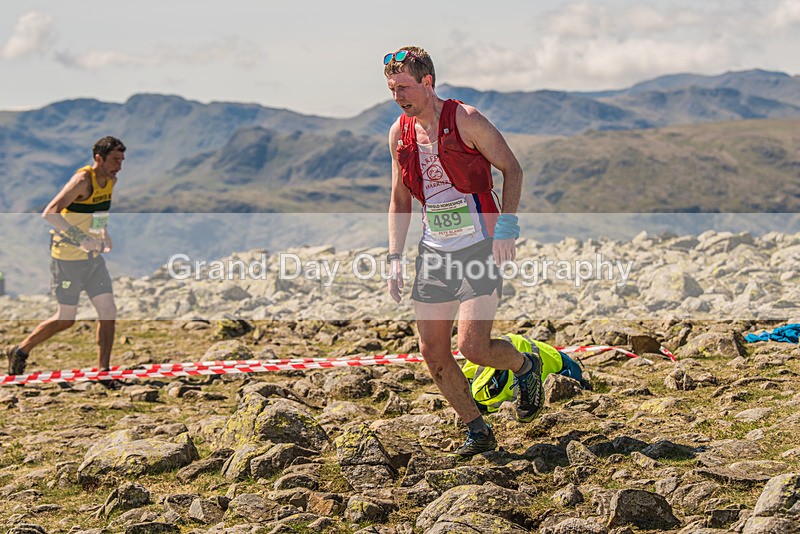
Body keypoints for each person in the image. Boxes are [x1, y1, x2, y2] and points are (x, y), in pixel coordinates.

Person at [383, 46, 544, 457]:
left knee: (473, 347)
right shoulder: (398, 133)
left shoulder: (466, 119)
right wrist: (394, 257)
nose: (397, 95)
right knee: (432, 352)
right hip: (434, 251)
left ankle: (526, 366)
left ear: (427, 82)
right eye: (391, 88)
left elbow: (513, 169)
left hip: (479, 245)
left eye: (403, 87)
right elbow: (400, 199)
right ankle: (477, 429)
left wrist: (507, 228)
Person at [4, 136, 126, 388]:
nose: (119, 166)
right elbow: (50, 213)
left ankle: (103, 372)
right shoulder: (82, 181)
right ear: (98, 158)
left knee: (108, 311)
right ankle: (21, 350)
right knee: (66, 319)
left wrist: (104, 234)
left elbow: (100, 210)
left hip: (93, 260)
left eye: (122, 160)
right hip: (68, 260)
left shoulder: (111, 180)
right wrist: (80, 238)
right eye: (114, 160)